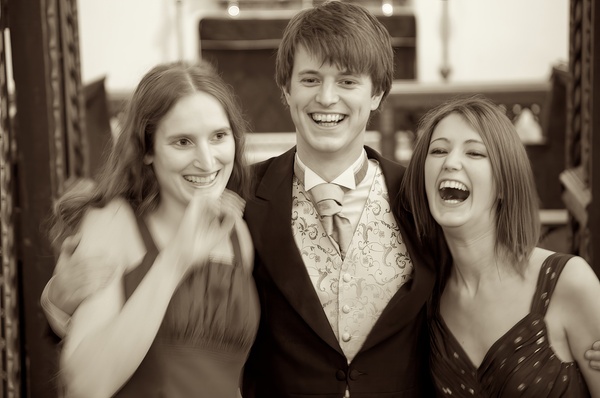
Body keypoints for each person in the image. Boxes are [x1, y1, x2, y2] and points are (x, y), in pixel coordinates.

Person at [46, 61, 259, 397]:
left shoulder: (236, 234)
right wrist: (175, 261)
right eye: (183, 142)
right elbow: (86, 386)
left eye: (218, 136)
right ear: (147, 150)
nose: (207, 161)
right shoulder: (113, 224)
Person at [400, 96, 600, 396]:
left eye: (475, 153)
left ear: (505, 182)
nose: (451, 162)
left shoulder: (569, 282)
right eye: (439, 150)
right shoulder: (425, 299)